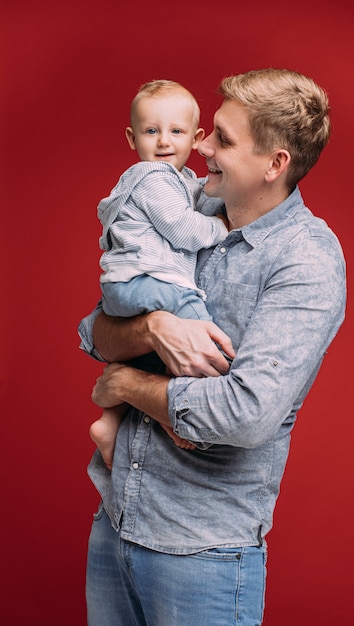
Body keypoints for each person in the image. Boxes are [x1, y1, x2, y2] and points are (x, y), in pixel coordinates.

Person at [79, 68, 346, 625]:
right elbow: (95, 330)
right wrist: (154, 329)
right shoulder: (185, 209)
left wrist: (125, 382)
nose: (198, 145)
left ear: (275, 165)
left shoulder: (306, 261)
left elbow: (245, 414)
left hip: (201, 552)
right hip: (116, 519)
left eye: (221, 138)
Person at [90, 80, 229, 469]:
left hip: (126, 286)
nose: (164, 142)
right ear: (133, 138)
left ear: (197, 138)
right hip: (147, 282)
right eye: (152, 131)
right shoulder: (154, 177)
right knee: (197, 331)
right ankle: (177, 413)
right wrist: (220, 226)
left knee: (148, 357)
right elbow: (184, 230)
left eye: (176, 132)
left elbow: (195, 195)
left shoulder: (181, 181)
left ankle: (109, 420)